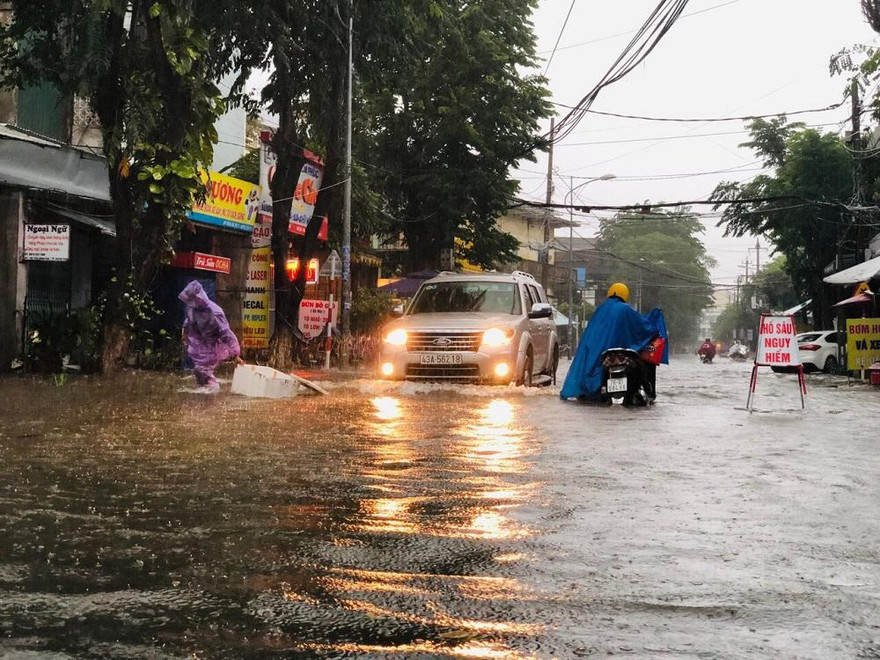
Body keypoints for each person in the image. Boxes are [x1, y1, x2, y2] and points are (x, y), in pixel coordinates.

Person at [560, 282, 668, 402]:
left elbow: (591, 334)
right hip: (622, 355)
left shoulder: (600, 309)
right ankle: (649, 394)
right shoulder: (625, 309)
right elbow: (642, 327)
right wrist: (654, 321)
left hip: (600, 355)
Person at [179, 280, 242, 393]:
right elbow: (188, 321)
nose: (191, 300)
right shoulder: (192, 308)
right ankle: (205, 389)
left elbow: (226, 332)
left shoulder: (215, 312)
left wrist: (236, 353)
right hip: (200, 345)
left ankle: (212, 392)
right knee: (199, 370)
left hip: (215, 346)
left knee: (203, 369)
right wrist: (185, 333)